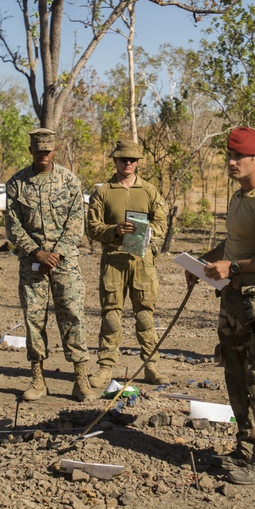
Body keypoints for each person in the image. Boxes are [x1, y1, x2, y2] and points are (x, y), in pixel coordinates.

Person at [188, 127, 255, 485]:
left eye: (239, 158)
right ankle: (246, 446)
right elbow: (234, 243)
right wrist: (205, 263)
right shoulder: (239, 198)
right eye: (229, 157)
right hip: (233, 299)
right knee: (235, 375)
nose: (232, 163)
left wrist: (232, 267)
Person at [5, 128, 92, 402]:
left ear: (55, 150)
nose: (43, 155)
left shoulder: (69, 180)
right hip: (32, 264)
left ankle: (80, 379)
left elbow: (77, 221)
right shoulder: (17, 183)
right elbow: (12, 226)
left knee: (73, 315)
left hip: (64, 263)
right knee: (33, 319)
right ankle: (38, 379)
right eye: (38, 150)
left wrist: (57, 253)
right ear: (31, 150)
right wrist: (36, 252)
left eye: (48, 150)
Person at [86, 139, 169, 388]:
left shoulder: (150, 191)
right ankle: (105, 368)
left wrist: (145, 231)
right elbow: (92, 228)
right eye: (124, 159)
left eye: (133, 160)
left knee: (145, 315)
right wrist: (116, 230)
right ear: (115, 161)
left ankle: (150, 366)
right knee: (111, 316)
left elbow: (162, 224)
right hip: (113, 260)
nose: (129, 163)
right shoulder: (102, 192)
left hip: (143, 261)